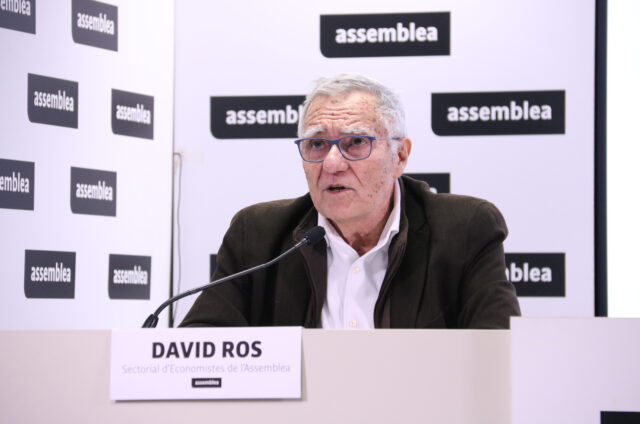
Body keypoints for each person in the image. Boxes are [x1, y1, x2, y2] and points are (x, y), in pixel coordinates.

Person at [180, 73, 521, 329]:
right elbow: (201, 348)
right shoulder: (257, 235)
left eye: (355, 142)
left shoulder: (465, 230)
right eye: (316, 144)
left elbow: (500, 356)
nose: (332, 164)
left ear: (400, 156)